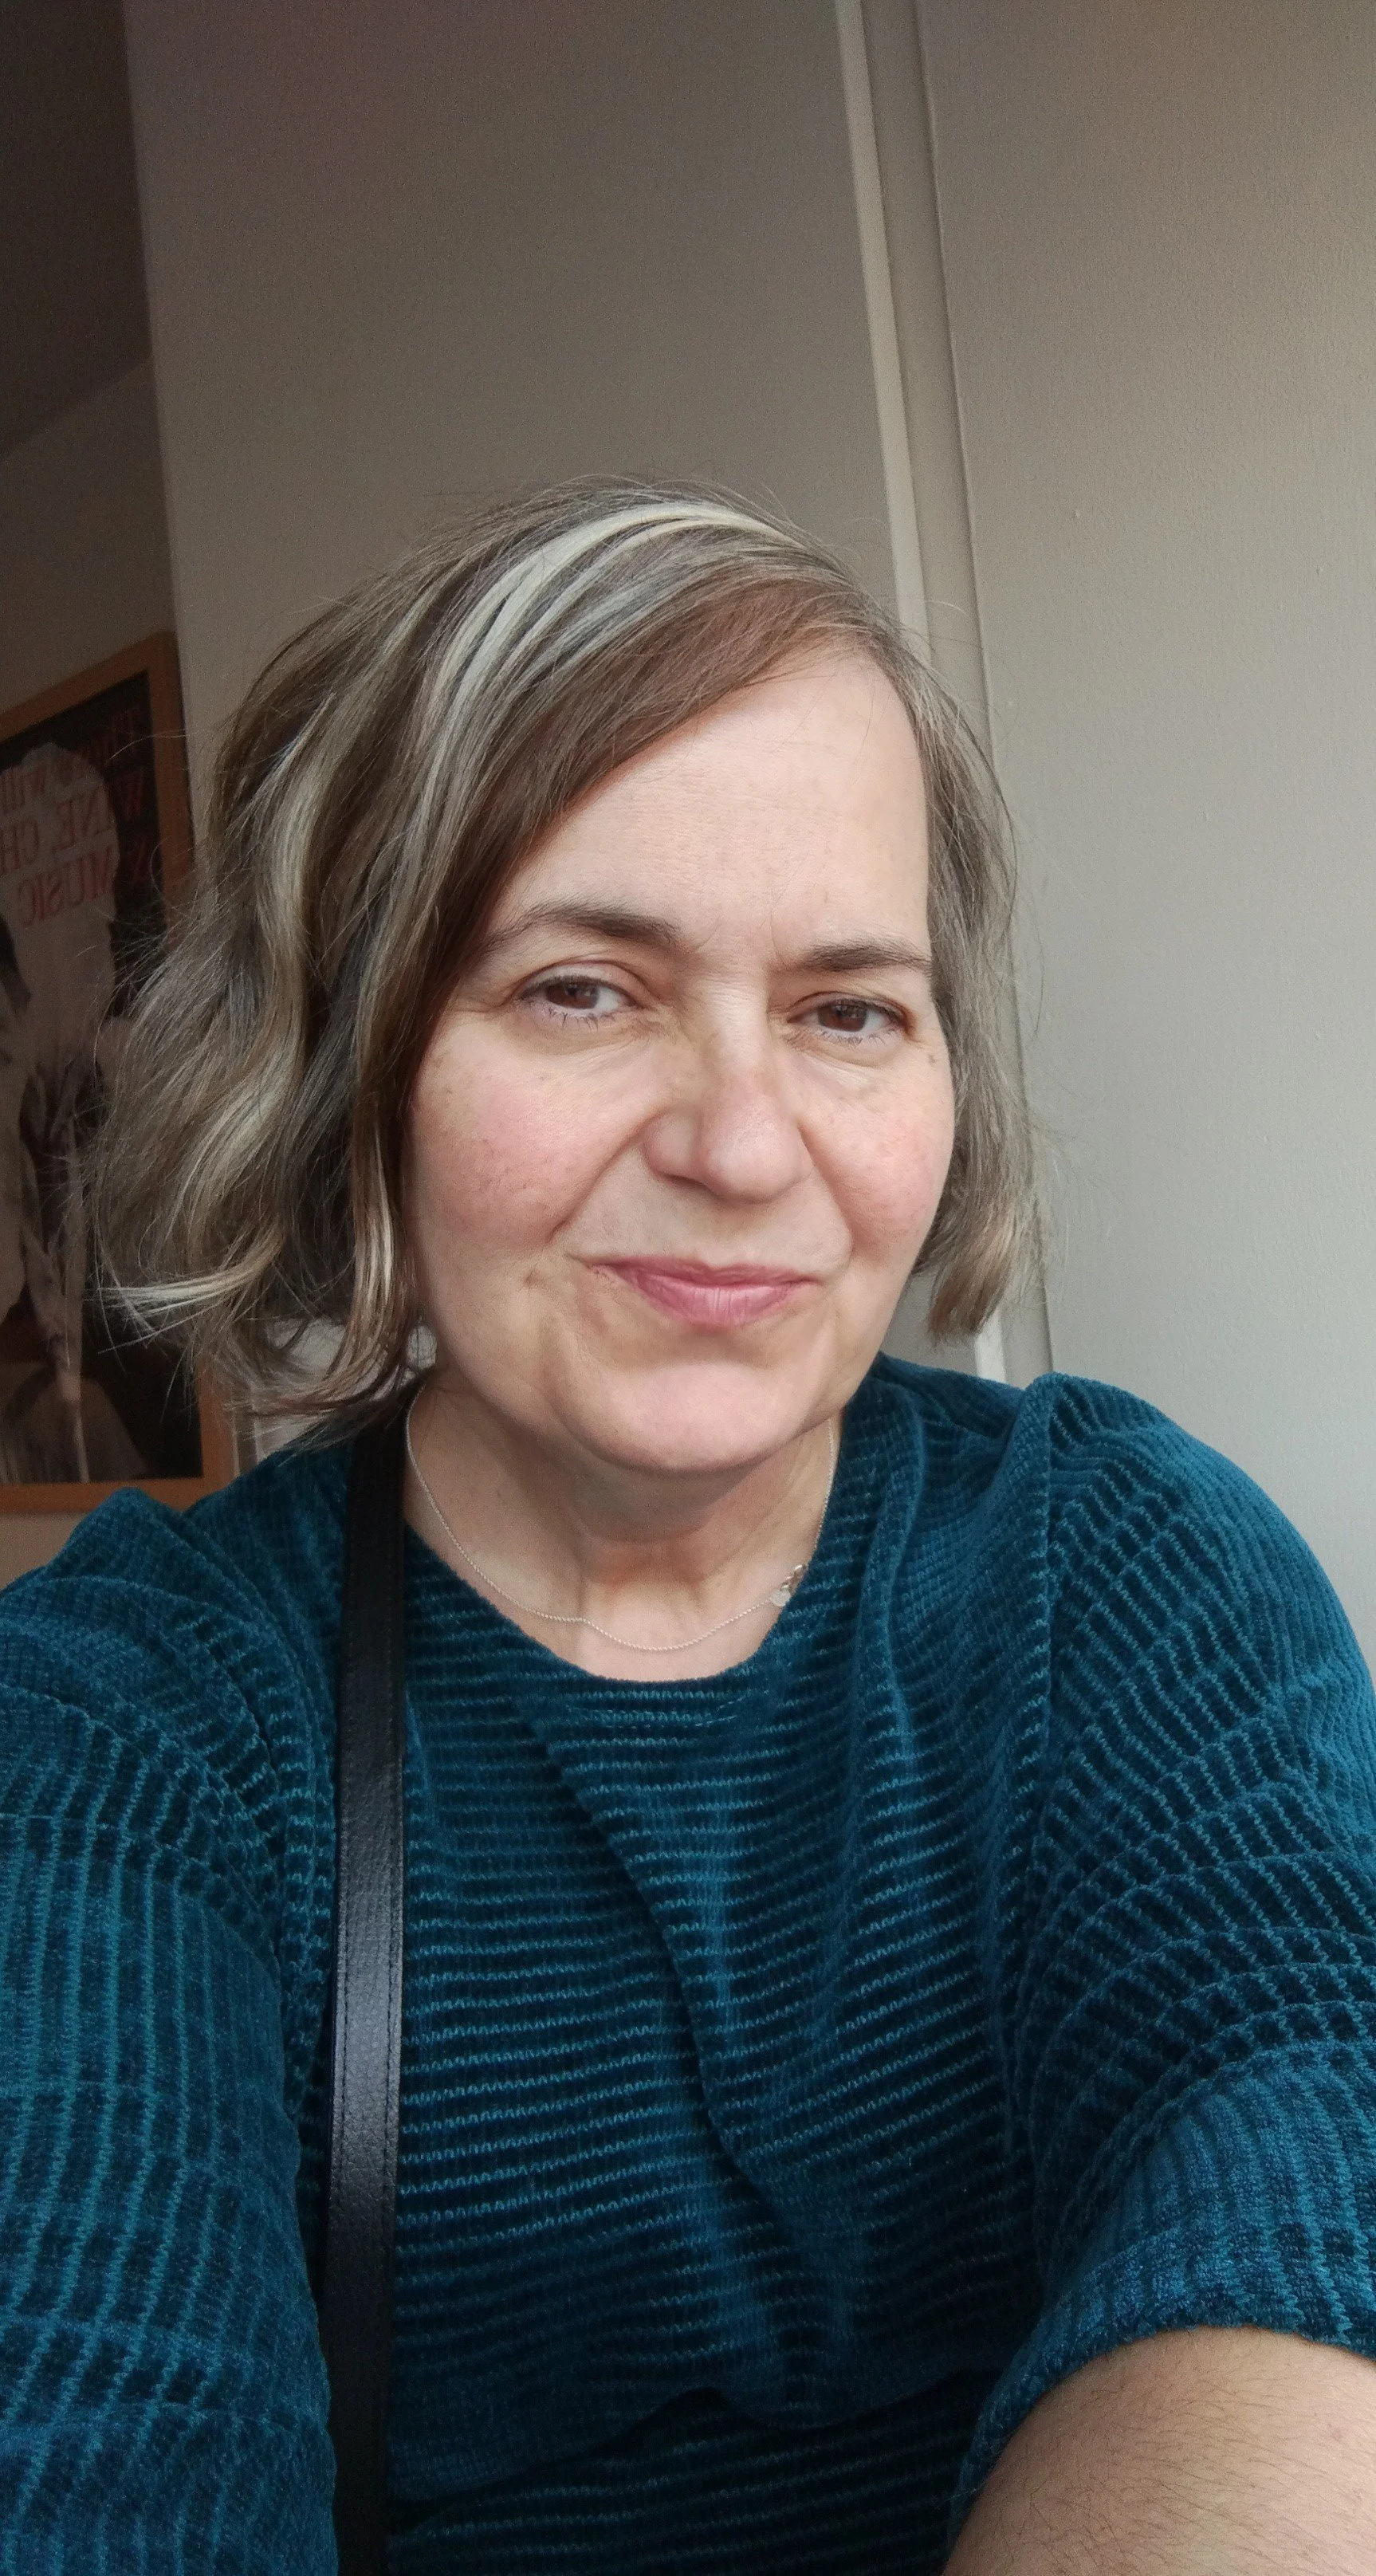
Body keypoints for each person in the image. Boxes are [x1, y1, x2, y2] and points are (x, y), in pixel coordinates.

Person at [1, 481, 1374, 2575]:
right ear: (351, 1067)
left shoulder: (1117, 1567)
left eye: (848, 1009)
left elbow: (1300, 2149)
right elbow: (98, 2445)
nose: (744, 1146)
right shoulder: (125, 1720)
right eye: (580, 988)